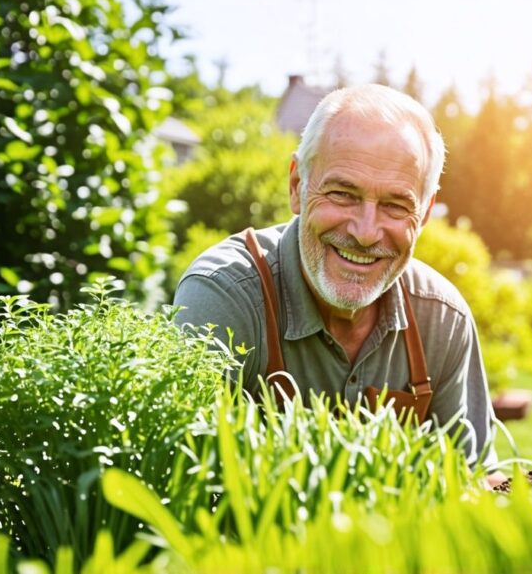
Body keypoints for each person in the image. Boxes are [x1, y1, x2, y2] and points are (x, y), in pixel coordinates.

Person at [173, 84, 498, 473]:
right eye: (343, 194)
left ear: (425, 214)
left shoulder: (441, 319)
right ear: (297, 187)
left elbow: (474, 483)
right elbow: (183, 488)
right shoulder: (226, 298)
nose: (365, 232)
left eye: (395, 206)